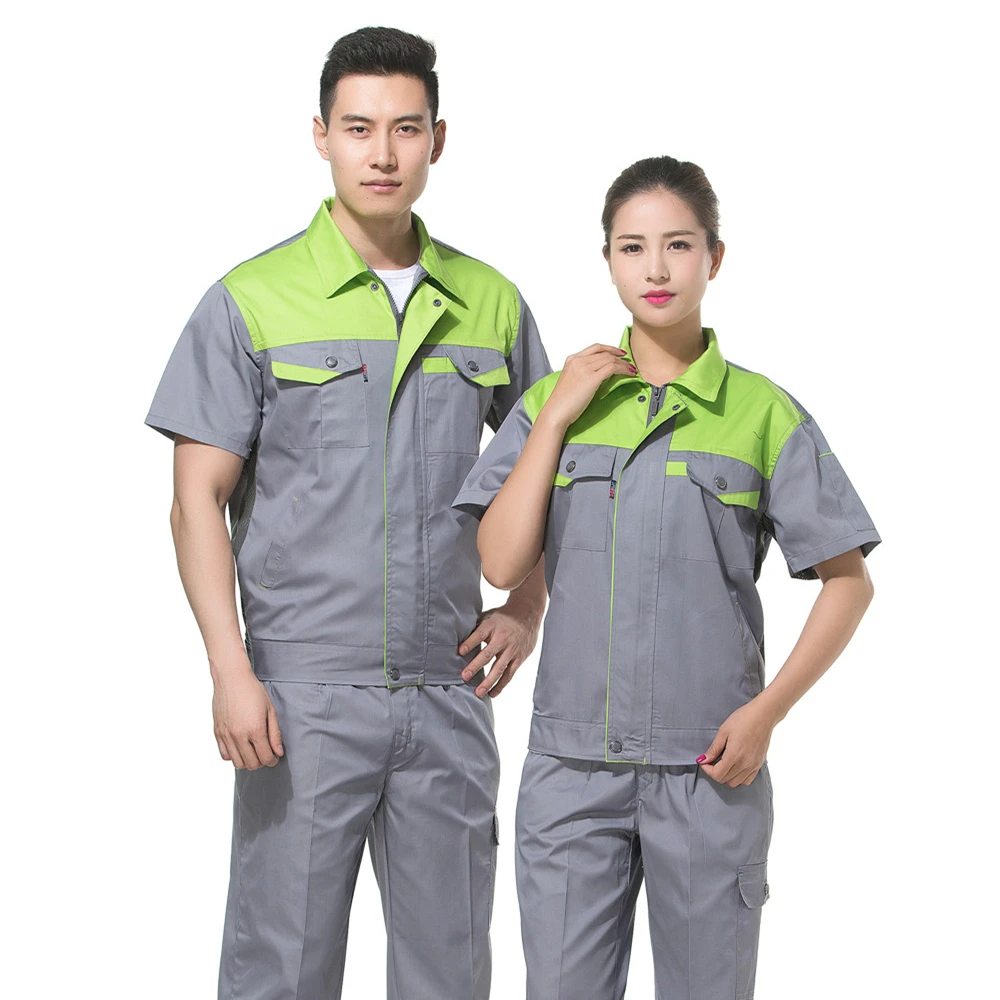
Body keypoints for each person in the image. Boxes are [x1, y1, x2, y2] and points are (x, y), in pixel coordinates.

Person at [144, 26, 551, 1000]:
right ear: (320, 135)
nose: (383, 154)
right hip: (301, 697)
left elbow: (552, 472)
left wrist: (526, 608)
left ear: (437, 140)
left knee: (451, 974)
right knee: (279, 972)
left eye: (405, 129)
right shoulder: (252, 300)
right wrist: (230, 670)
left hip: (448, 690)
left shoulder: (490, 303)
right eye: (359, 128)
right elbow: (195, 500)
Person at [452, 155, 880, 999]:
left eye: (679, 245)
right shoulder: (555, 403)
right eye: (632, 247)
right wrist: (557, 417)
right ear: (607, 260)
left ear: (714, 258)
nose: (656, 269)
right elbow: (500, 562)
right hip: (572, 772)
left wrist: (765, 714)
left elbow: (850, 581)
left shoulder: (763, 414)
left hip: (711, 770)